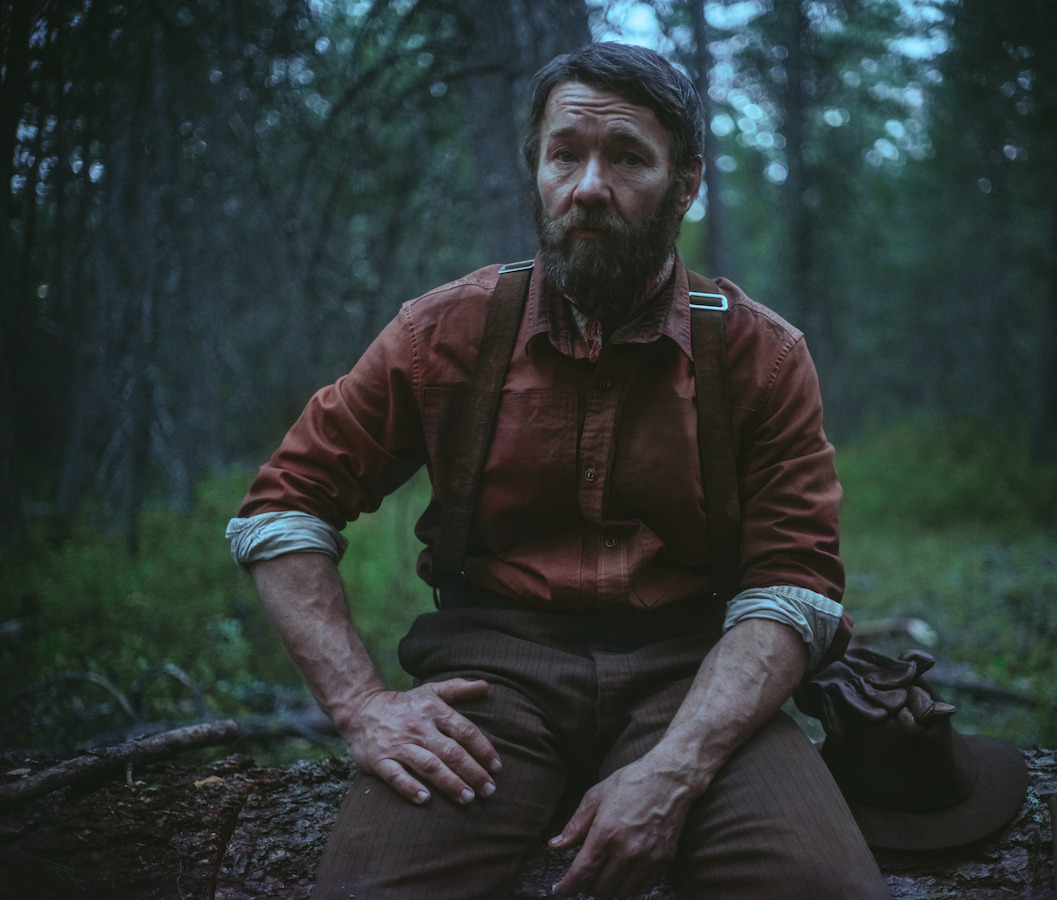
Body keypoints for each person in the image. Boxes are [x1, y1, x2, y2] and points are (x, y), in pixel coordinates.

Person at [227, 41, 889, 900]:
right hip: (494, 678)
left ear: (686, 183)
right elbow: (283, 506)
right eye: (565, 155)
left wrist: (678, 767)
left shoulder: (761, 355)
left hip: (694, 676)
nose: (589, 187)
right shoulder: (445, 333)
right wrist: (362, 708)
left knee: (828, 889)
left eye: (628, 158)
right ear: (536, 170)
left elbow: (793, 586)